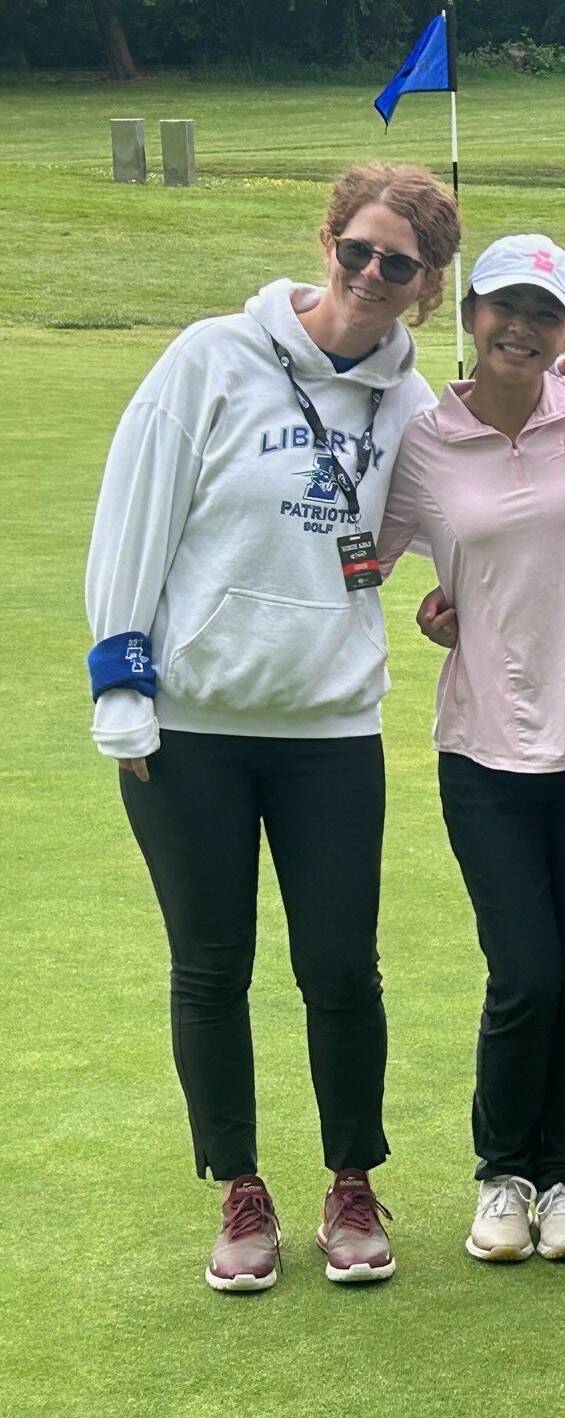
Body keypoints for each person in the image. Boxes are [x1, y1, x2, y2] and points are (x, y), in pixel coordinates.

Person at [84, 162, 461, 1292]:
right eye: (359, 250)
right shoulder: (211, 356)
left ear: (426, 285)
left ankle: (352, 1181)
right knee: (211, 964)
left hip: (329, 727)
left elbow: (477, 500)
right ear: (330, 241)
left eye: (400, 265)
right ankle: (241, 1189)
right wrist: (123, 682)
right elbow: (133, 516)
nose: (371, 277)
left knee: (341, 965)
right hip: (190, 725)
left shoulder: (411, 405)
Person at [378, 235, 565, 1266]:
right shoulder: (427, 440)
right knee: (523, 970)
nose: (520, 329)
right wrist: (431, 610)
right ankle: (503, 1175)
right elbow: (370, 555)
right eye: (502, 308)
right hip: (483, 745)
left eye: (544, 314)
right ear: (469, 315)